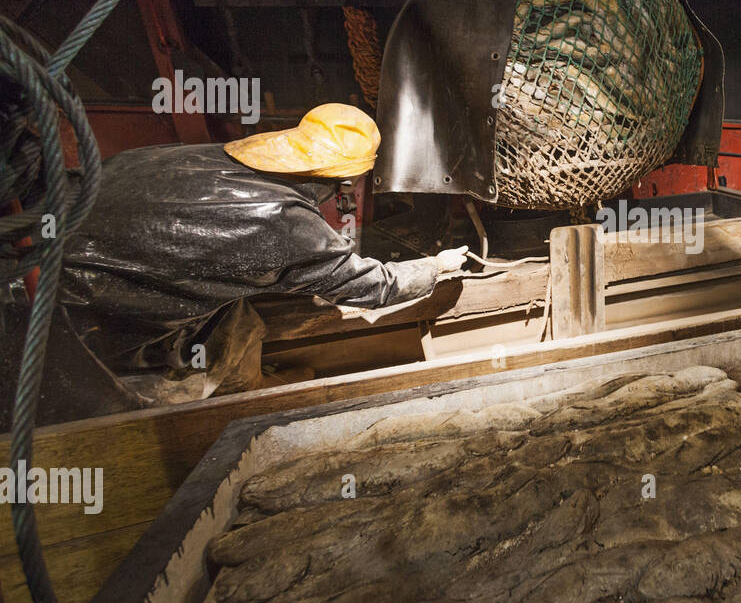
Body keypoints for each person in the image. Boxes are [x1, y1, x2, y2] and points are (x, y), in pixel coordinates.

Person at [26, 104, 467, 418]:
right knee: (154, 411)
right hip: (82, 323)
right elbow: (374, 287)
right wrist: (437, 266)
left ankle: (247, 388)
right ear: (346, 179)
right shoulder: (282, 220)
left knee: (237, 317)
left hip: (47, 260)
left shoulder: (204, 155)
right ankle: (225, 415)